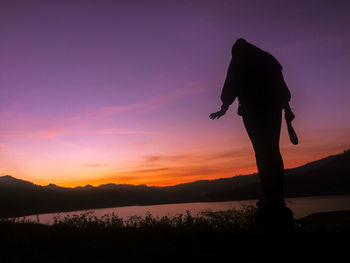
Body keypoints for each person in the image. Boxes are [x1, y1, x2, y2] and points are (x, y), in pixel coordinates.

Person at [209, 38, 296, 213]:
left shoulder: (239, 59)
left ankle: (269, 195)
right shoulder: (269, 60)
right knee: (273, 150)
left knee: (261, 152)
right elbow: (282, 88)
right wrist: (286, 108)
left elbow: (231, 84)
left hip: (252, 111)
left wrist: (224, 107)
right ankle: (277, 196)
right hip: (273, 110)